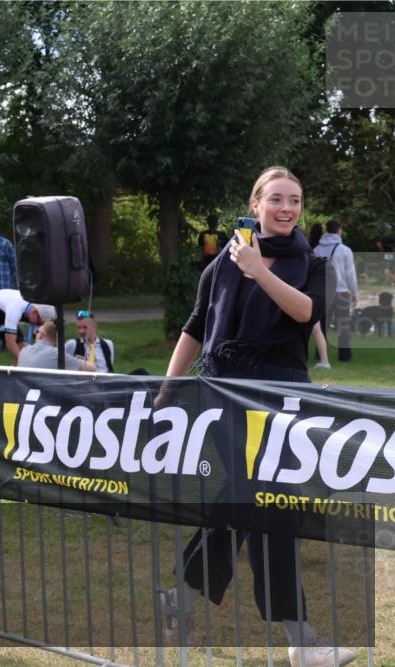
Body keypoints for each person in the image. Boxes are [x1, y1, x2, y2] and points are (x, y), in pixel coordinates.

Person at [162, 167, 352, 667]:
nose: (287, 208)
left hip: (283, 397)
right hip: (224, 393)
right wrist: (166, 386)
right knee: (263, 501)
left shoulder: (314, 263)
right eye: (276, 199)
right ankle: (302, 639)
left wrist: (258, 269)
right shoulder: (221, 265)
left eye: (295, 200)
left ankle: (183, 596)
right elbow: (196, 327)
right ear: (257, 203)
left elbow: (305, 313)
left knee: (255, 503)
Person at [0, 288, 56, 365]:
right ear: (34, 312)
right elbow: (10, 344)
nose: (38, 325)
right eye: (38, 322)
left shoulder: (35, 307)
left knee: (22, 349)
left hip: (3, 316)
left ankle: (15, 379)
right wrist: (26, 365)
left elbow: (49, 338)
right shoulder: (15, 310)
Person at [314, 219, 358, 362]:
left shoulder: (317, 249)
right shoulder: (345, 250)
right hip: (341, 292)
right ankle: (344, 356)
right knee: (343, 325)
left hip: (323, 291)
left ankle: (320, 354)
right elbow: (350, 274)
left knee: (323, 325)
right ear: (339, 230)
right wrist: (354, 293)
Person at [307, 223, 330, 369]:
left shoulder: (311, 249)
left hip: (305, 292)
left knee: (316, 329)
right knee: (317, 329)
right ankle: (324, 360)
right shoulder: (311, 250)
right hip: (314, 291)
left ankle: (324, 360)